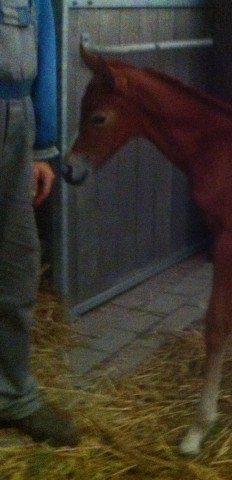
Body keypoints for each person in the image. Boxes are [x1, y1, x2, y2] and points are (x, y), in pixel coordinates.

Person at [0, 0, 79, 446]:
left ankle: (11, 394)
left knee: (17, 263)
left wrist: (43, 144)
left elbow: (44, 49)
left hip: (16, 119)